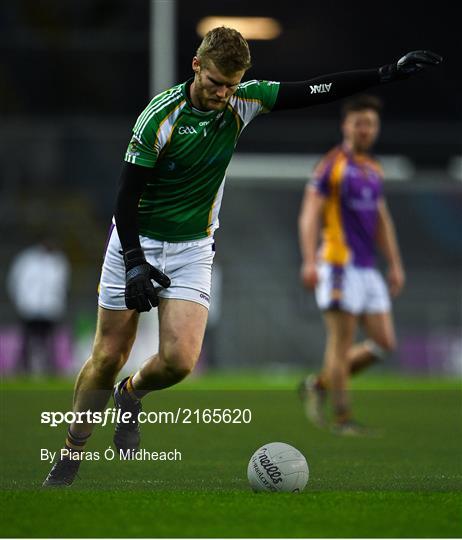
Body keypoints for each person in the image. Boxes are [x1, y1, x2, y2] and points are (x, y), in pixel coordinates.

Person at [43, 26, 441, 485]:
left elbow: (313, 90)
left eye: (231, 85)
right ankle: (71, 453)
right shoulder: (159, 118)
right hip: (137, 238)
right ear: (196, 67)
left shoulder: (242, 100)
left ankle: (130, 395)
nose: (223, 93)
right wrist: (133, 260)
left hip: (193, 245)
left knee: (179, 361)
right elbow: (125, 198)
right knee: (109, 353)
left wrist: (385, 74)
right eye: (215, 82)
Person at [298, 94, 405, 435]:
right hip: (337, 264)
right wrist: (308, 260)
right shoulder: (332, 165)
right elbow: (310, 214)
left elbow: (382, 220)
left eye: (370, 123)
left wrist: (395, 264)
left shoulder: (373, 169)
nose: (365, 129)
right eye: (359, 122)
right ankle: (342, 418)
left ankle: (319, 384)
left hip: (367, 268)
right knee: (341, 343)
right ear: (346, 125)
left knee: (384, 343)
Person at [7, 236, 70, 374]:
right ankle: (23, 368)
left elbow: (62, 285)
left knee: (50, 342)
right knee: (26, 340)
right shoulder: (26, 259)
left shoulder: (59, 261)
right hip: (29, 307)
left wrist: (58, 302)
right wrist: (21, 301)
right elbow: (15, 281)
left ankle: (50, 368)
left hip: (50, 308)